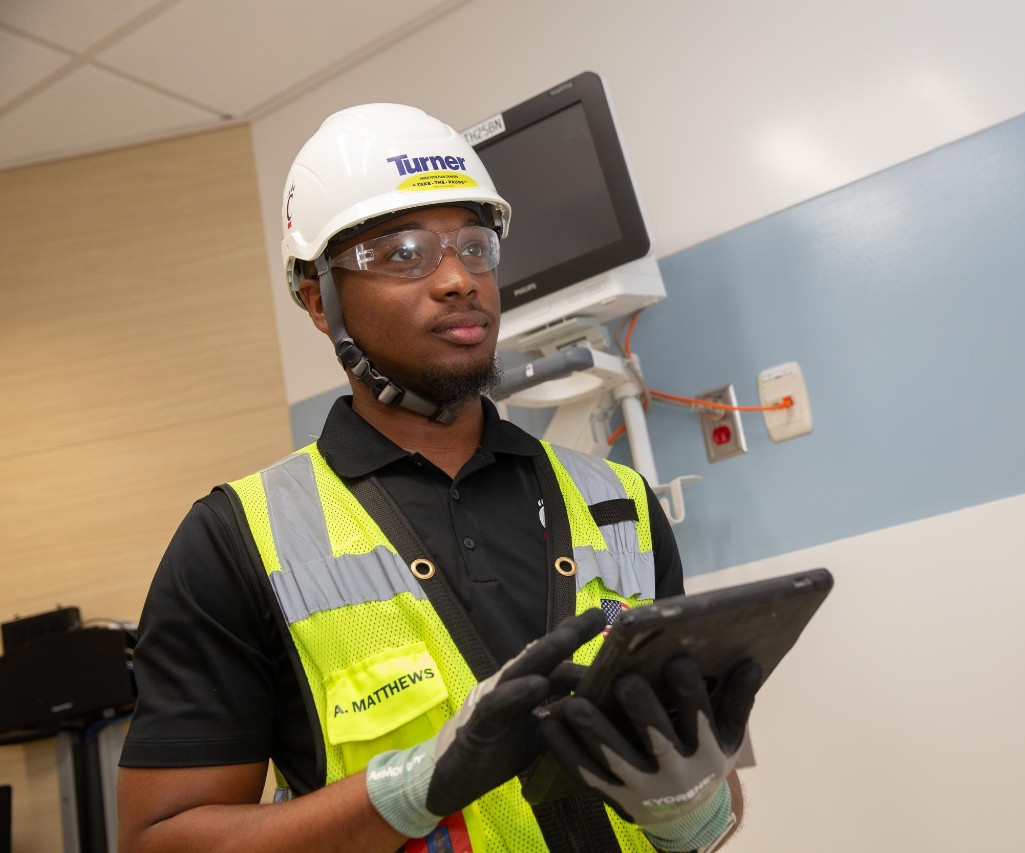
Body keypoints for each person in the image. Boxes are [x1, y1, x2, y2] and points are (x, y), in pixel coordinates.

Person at [116, 103, 761, 853]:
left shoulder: (617, 504)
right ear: (320, 299)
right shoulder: (237, 540)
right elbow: (160, 840)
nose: (459, 279)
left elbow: (717, 797)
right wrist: (408, 789)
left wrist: (690, 806)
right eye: (403, 253)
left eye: (475, 247)